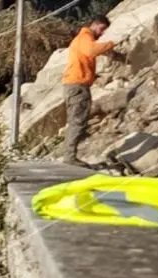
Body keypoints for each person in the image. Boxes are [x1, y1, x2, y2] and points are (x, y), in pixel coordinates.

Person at [61, 14, 118, 166]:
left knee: (76, 120)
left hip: (74, 85)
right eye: (102, 29)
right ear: (94, 25)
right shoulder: (85, 37)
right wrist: (111, 43)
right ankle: (69, 157)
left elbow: (92, 52)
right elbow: (91, 51)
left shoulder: (83, 39)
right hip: (77, 86)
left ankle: (69, 155)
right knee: (77, 121)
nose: (102, 33)